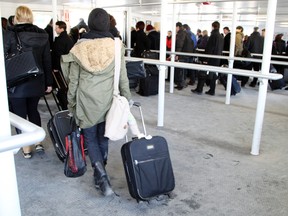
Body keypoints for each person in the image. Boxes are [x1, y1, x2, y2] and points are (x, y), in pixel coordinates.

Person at [61, 8, 132, 196]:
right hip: (109, 100)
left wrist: (71, 104)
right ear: (107, 24)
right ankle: (101, 174)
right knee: (103, 136)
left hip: (86, 102)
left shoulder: (78, 49)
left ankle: (101, 176)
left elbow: (73, 82)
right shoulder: (117, 46)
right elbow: (123, 77)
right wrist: (128, 99)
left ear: (90, 24)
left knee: (91, 138)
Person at [4, 5, 53, 158]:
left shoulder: (9, 35)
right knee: (33, 111)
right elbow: (47, 60)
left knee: (20, 115)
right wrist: (49, 83)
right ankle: (38, 142)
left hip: (16, 83)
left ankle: (26, 148)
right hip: (37, 82)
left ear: (16, 18)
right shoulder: (42, 35)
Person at [192, 21, 224, 95]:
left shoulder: (213, 36)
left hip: (210, 59)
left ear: (212, 26)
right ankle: (212, 90)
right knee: (213, 75)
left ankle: (199, 89)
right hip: (217, 59)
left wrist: (206, 59)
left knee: (202, 73)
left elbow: (209, 48)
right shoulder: (221, 37)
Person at [51, 21, 74, 110]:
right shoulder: (69, 38)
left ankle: (64, 106)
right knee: (65, 87)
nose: (55, 29)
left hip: (61, 67)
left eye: (56, 27)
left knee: (61, 88)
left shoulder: (60, 40)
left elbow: (58, 55)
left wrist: (56, 67)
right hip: (67, 66)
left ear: (61, 28)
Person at [174, 22, 194, 90]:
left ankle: (181, 84)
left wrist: (177, 54)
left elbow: (180, 45)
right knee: (183, 70)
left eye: (175, 27)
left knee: (180, 70)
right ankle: (182, 83)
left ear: (178, 27)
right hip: (186, 54)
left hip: (182, 54)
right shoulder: (186, 33)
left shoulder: (181, 34)